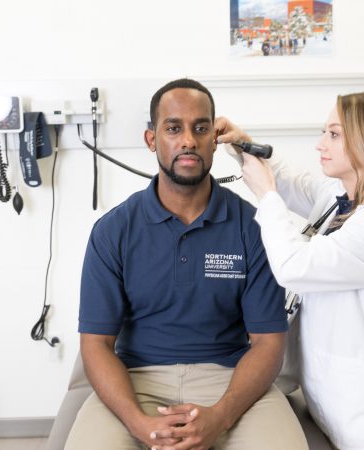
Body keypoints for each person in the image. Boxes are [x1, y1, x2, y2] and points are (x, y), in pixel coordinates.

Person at [65, 79, 309, 450]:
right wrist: (138, 424)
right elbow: (96, 344)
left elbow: (267, 342)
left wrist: (222, 416)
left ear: (216, 138)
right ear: (152, 140)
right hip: (137, 381)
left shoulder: (254, 228)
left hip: (230, 382)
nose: (188, 141)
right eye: (173, 128)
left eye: (201, 128)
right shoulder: (113, 230)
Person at [216, 91, 364, 450]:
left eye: (333, 134)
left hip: (361, 401)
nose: (319, 145)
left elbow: (294, 267)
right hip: (325, 385)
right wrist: (243, 144)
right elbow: (292, 182)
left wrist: (266, 197)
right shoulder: (342, 197)